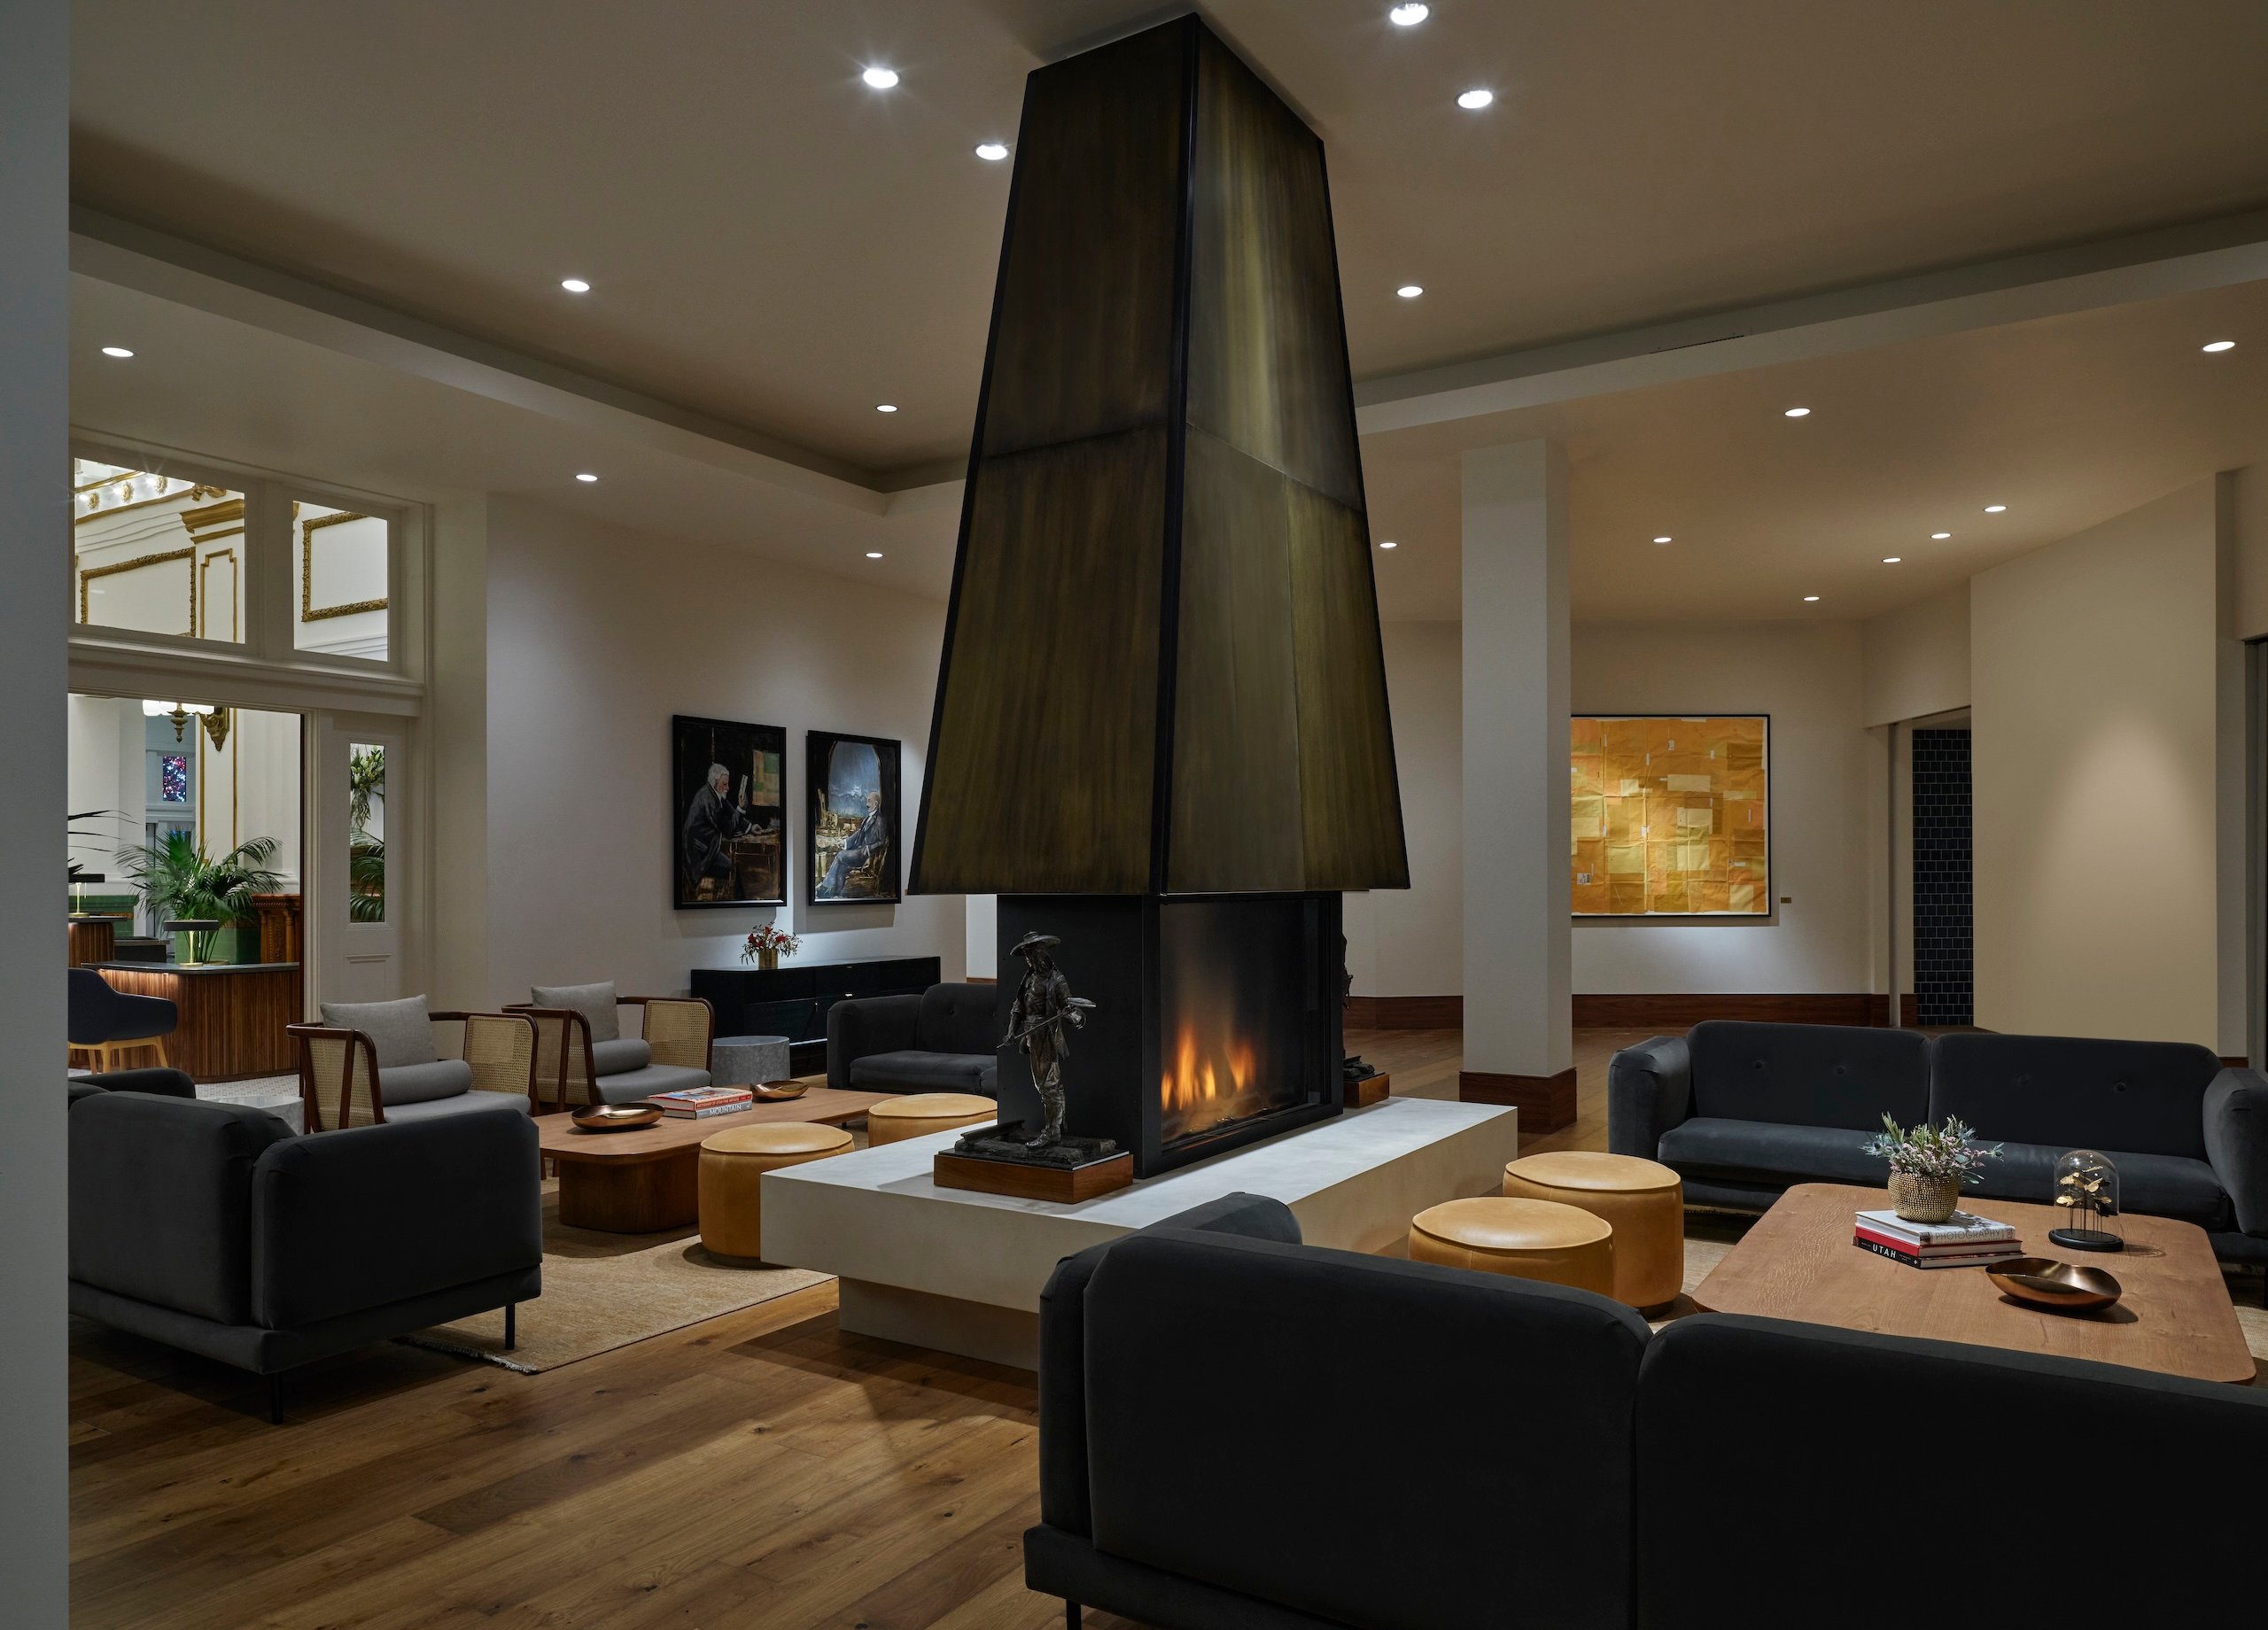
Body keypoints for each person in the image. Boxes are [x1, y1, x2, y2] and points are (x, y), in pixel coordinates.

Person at [1005, 931, 1091, 1150]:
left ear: (1040, 954)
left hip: (1047, 1037)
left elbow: (1068, 1007)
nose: (1028, 959)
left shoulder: (1056, 980)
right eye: (1026, 956)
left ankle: (1052, 1132)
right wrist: (1011, 1031)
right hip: (1031, 1035)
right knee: (1045, 1085)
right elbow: (1018, 1007)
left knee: (1049, 1086)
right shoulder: (1029, 978)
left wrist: (1074, 1016)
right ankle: (1055, 1127)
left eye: (1031, 954)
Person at [681, 763, 754, 898]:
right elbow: (729, 831)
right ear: (715, 782)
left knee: (732, 866)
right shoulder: (709, 800)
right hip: (699, 854)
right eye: (724, 784)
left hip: (704, 848)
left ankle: (730, 899)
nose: (727, 788)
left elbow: (730, 811)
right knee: (731, 867)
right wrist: (741, 809)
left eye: (727, 784)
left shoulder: (712, 793)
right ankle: (732, 901)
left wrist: (749, 827)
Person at [819, 788, 889, 898]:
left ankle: (826, 886)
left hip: (863, 855)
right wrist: (845, 842)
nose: (867, 804)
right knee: (841, 868)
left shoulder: (880, 821)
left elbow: (881, 842)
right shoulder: (867, 819)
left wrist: (867, 850)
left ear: (875, 804)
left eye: (869, 801)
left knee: (840, 855)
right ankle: (835, 893)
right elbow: (858, 834)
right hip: (857, 852)